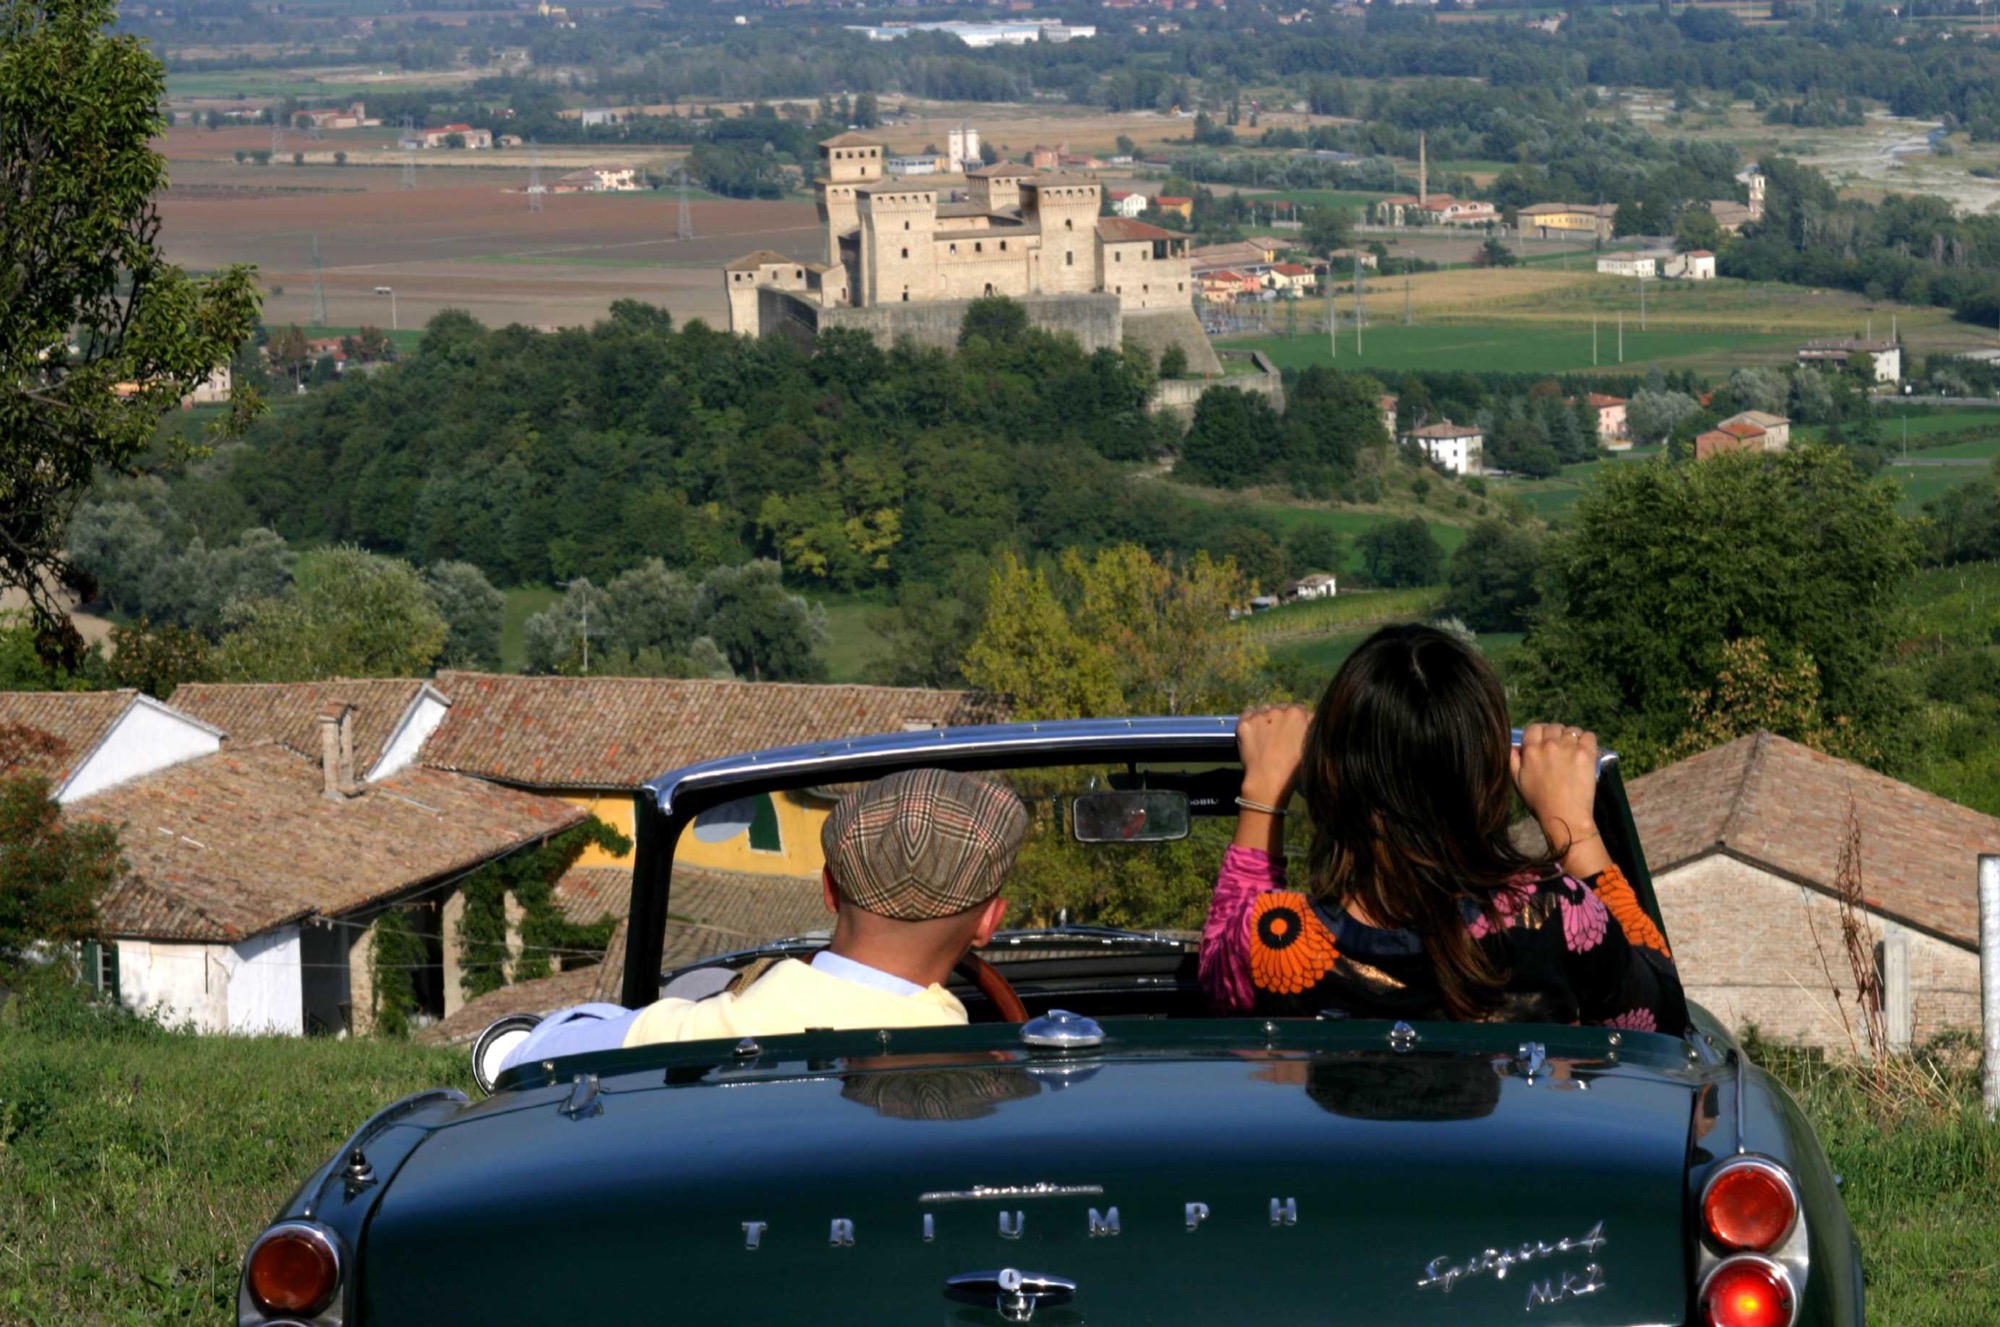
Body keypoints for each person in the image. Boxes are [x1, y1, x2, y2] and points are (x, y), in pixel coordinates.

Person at [1201, 623, 1687, 1032]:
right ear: (1487, 780)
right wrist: (1573, 827)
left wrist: (1264, 793)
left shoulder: (1278, 939)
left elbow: (1221, 970)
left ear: (1332, 777)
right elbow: (1660, 1010)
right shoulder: (1555, 914)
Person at [501, 768, 1029, 1069]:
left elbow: (527, 1059)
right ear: (988, 923)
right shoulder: (987, 1072)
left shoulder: (695, 1032)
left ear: (828, 888)